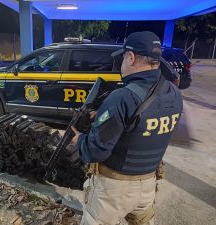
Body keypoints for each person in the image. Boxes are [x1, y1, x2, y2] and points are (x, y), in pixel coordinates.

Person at [69, 31, 183, 225]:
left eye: (122, 58)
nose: (121, 63)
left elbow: (95, 152)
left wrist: (78, 139)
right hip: (148, 186)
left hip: (113, 191)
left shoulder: (122, 97)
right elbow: (144, 126)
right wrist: (108, 118)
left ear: (130, 57)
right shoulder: (173, 92)